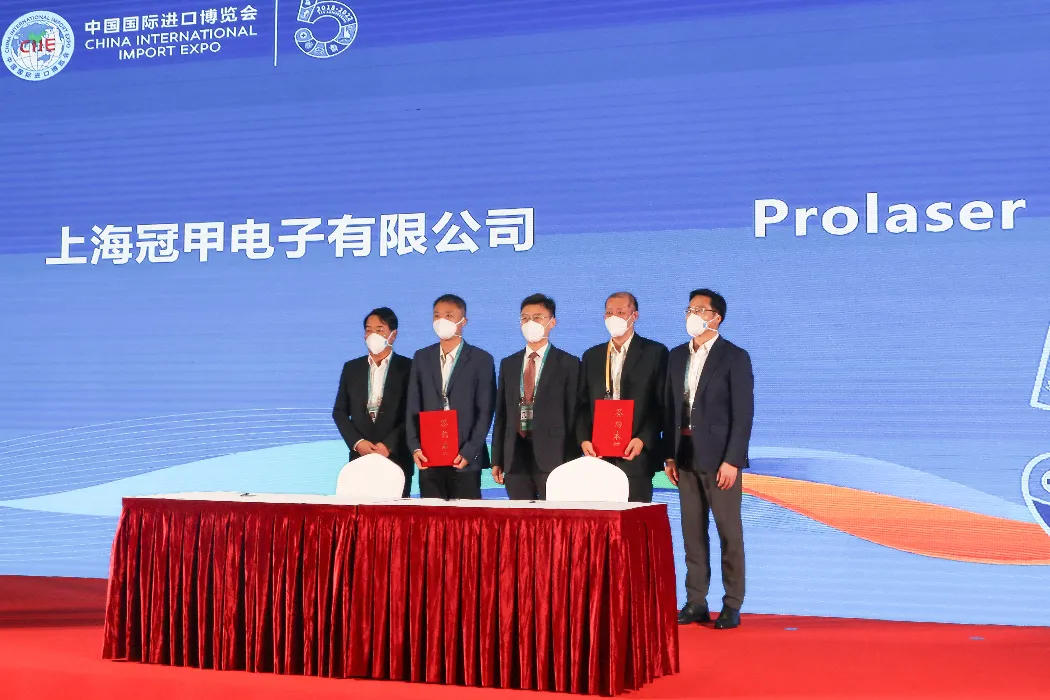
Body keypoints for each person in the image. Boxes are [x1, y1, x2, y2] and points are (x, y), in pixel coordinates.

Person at [663, 289, 754, 630]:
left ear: (717, 317)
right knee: (692, 533)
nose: (693, 315)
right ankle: (696, 601)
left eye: (700, 309)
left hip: (720, 462)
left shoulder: (734, 357)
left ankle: (732, 603)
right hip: (684, 455)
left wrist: (733, 460)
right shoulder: (675, 356)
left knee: (729, 533)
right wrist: (669, 455)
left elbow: (743, 414)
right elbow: (669, 408)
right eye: (690, 309)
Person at [576, 292, 668, 503]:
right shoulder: (592, 356)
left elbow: (661, 405)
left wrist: (643, 439)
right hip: (599, 454)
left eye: (620, 312)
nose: (614, 317)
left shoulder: (655, 353)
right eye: (609, 312)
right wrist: (584, 439)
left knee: (635, 518)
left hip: (636, 452)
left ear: (634, 315)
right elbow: (582, 405)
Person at [406, 294, 496, 500]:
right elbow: (413, 405)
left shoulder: (481, 359)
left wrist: (470, 450)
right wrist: (415, 447)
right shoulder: (421, 357)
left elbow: (485, 410)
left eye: (448, 315)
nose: (441, 321)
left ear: (463, 321)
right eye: (437, 316)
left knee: (467, 517)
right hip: (428, 455)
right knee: (431, 516)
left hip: (465, 456)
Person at [491, 294, 580, 500]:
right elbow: (501, 414)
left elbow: (573, 415)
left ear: (552, 322)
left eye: (538, 318)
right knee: (520, 516)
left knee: (555, 516)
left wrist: (571, 462)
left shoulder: (569, 363)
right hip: (515, 456)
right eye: (525, 318)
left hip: (554, 457)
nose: (530, 323)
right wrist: (497, 459)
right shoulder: (508, 363)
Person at [332, 307, 414, 497]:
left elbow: (413, 413)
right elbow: (339, 411)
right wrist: (358, 442)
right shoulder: (352, 368)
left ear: (393, 335)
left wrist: (389, 445)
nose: (372, 335)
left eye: (379, 330)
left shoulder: (409, 367)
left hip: (396, 456)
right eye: (368, 330)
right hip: (360, 457)